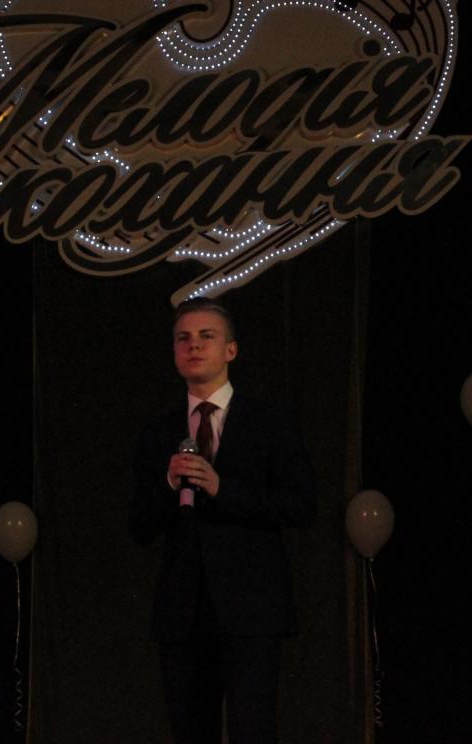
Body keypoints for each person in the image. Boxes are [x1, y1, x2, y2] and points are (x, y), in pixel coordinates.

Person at [130, 297, 317, 744]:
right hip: (183, 615)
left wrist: (221, 487)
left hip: (251, 611)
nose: (193, 346)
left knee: (253, 730)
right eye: (183, 338)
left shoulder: (269, 422)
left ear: (231, 350)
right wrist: (168, 484)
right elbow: (139, 527)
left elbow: (301, 506)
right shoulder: (158, 431)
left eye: (206, 336)